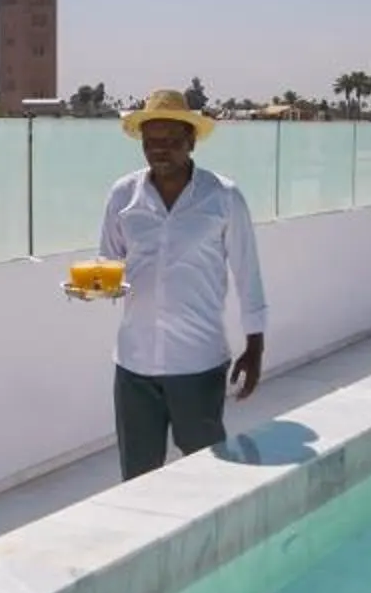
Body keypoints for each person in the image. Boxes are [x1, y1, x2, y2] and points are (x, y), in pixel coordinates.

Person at [95, 87, 268, 478]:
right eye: (152, 141)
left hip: (198, 364)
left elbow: (248, 274)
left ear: (192, 142)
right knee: (138, 478)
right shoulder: (123, 196)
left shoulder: (223, 197)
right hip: (134, 365)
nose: (161, 150)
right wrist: (98, 283)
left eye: (172, 141)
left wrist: (255, 346)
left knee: (206, 475)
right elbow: (108, 261)